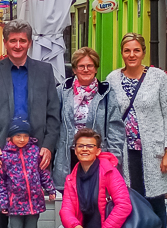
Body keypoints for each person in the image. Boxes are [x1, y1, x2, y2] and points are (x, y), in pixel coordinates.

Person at [0, 20, 61, 228]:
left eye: (22, 41)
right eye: (12, 40)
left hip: (35, 151)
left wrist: (48, 146)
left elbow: (53, 114)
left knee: (33, 208)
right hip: (5, 150)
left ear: (30, 43)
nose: (17, 45)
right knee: (9, 206)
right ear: (5, 43)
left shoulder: (44, 71)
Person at [105, 32, 167, 228]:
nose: (132, 55)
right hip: (125, 155)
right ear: (122, 53)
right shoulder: (113, 79)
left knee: (156, 204)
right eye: (127, 51)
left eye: (136, 50)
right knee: (130, 204)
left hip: (154, 152)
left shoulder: (158, 78)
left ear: (143, 52)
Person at [55, 129, 131, 228]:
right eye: (80, 146)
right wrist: (74, 225)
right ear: (75, 150)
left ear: (98, 151)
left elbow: (124, 205)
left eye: (90, 146)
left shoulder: (109, 171)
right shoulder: (73, 177)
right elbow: (66, 209)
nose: (84, 149)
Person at [54, 47, 125, 191]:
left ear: (96, 68)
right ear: (74, 69)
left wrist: (114, 158)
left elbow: (115, 128)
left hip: (97, 156)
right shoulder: (62, 91)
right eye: (81, 66)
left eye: (90, 66)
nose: (86, 69)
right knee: (70, 201)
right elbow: (53, 123)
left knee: (96, 198)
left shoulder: (106, 92)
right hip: (68, 157)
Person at [0, 117, 56, 228]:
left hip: (34, 204)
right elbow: (0, 182)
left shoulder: (35, 152)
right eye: (18, 136)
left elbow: (43, 174)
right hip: (14, 205)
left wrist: (51, 190)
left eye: (25, 135)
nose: (22, 139)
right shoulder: (5, 156)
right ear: (10, 137)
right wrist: (3, 202)